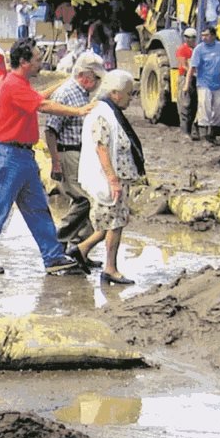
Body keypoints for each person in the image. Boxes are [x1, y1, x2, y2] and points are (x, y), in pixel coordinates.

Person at [0, 39, 93, 276]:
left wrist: (61, 84)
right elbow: (42, 105)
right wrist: (79, 111)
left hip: (21, 156)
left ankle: (53, 256)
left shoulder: (17, 83)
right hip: (11, 156)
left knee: (37, 209)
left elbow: (37, 98)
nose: (40, 63)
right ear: (23, 62)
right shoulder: (14, 85)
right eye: (36, 59)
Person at [68, 69, 145, 286]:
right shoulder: (102, 114)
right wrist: (112, 179)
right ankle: (110, 268)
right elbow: (101, 147)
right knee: (114, 223)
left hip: (114, 178)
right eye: (129, 94)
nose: (131, 98)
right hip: (109, 179)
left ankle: (81, 250)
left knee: (111, 222)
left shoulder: (108, 111)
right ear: (115, 93)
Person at [44, 51, 106, 261]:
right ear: (85, 77)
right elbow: (50, 130)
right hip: (68, 151)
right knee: (84, 200)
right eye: (97, 79)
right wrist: (56, 162)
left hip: (81, 152)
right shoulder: (66, 94)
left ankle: (80, 249)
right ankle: (59, 242)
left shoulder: (82, 94)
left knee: (86, 199)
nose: (98, 84)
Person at [186, 26, 220, 143]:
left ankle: (212, 135)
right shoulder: (199, 49)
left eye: (206, 35)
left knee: (219, 110)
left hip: (218, 83)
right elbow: (192, 68)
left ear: (213, 36)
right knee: (205, 108)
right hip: (204, 83)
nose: (203, 38)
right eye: (202, 35)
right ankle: (204, 137)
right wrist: (187, 84)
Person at [175, 27, 198, 138]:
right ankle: (184, 131)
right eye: (188, 37)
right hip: (185, 78)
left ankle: (192, 130)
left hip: (195, 78)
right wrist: (192, 72)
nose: (190, 40)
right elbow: (183, 65)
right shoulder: (182, 50)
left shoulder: (197, 50)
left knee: (194, 104)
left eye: (193, 38)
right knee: (185, 104)